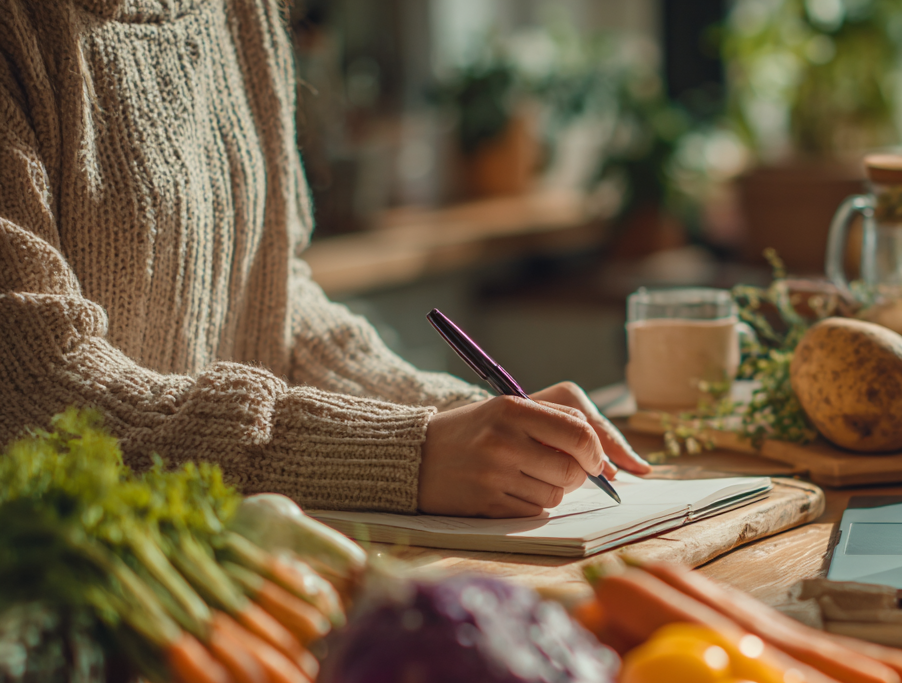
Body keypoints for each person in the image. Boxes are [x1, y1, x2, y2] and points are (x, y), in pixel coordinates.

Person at [0, 0, 651, 518]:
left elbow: (274, 297)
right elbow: (33, 387)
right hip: (64, 578)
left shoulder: (242, 11)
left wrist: (462, 418)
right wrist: (406, 451)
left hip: (233, 547)